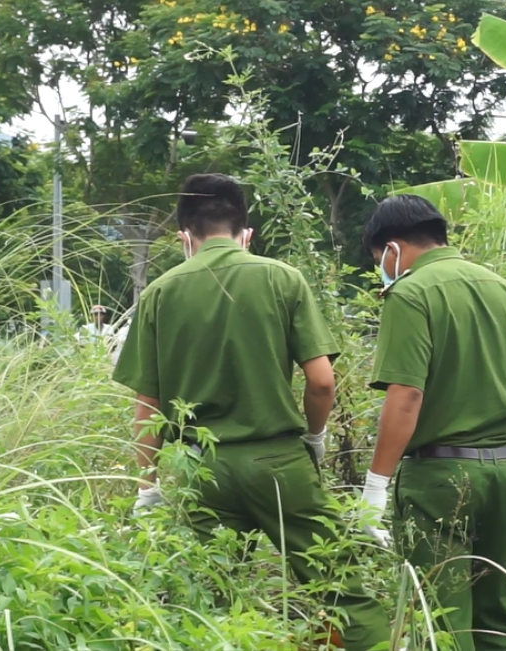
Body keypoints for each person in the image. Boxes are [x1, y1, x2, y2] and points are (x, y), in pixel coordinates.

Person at [112, 173, 388, 651]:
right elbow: (322, 381)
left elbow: (148, 405)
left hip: (202, 468)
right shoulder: (282, 278)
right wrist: (315, 439)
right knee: (340, 589)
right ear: (246, 232)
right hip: (280, 462)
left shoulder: (160, 292)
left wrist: (147, 486)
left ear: (184, 237)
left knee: (208, 603)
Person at [358, 194, 506, 651]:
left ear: (392, 249)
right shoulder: (504, 290)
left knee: (441, 618)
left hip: (440, 477)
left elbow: (407, 394)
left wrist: (375, 485)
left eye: (380, 259)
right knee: (500, 618)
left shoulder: (411, 291)